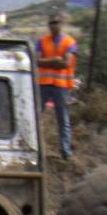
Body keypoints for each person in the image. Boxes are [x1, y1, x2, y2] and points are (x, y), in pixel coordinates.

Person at [37, 12, 77, 159]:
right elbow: (37, 61)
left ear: (61, 24)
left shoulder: (69, 42)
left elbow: (66, 63)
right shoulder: (42, 41)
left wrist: (48, 61)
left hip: (62, 86)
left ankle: (65, 152)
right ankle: (34, 149)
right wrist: (55, 60)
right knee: (35, 117)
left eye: (56, 22)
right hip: (43, 84)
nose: (53, 25)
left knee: (63, 120)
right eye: (51, 23)